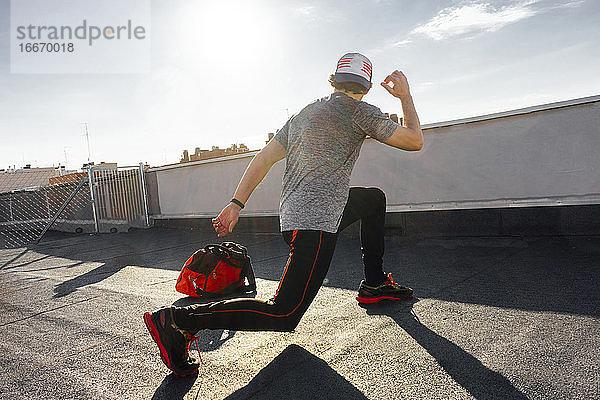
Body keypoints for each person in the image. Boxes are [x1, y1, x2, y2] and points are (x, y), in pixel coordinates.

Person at [143, 52, 424, 376]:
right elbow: (415, 140)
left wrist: (236, 203)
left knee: (372, 199)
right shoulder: (362, 112)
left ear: (335, 80)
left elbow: (263, 158)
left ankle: (374, 283)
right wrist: (406, 97)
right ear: (367, 86)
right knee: (284, 313)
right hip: (315, 224)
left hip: (293, 216)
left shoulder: (306, 113)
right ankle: (179, 322)